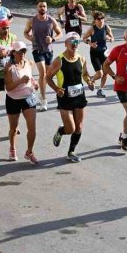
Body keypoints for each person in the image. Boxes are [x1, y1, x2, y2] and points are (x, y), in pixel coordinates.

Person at [46, 33, 96, 163]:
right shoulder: (59, 60)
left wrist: (89, 82)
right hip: (65, 98)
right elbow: (48, 77)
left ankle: (71, 152)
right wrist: (57, 89)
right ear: (66, 44)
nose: (74, 45)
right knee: (70, 129)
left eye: (76, 42)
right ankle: (61, 131)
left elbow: (85, 74)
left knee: (79, 127)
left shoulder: (81, 59)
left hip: (79, 96)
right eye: (71, 42)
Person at [3, 40, 39, 164]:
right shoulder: (9, 67)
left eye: (24, 51)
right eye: (20, 52)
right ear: (13, 53)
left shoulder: (28, 62)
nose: (22, 54)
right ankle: (12, 148)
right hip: (13, 99)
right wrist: (20, 81)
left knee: (32, 127)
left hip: (28, 97)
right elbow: (8, 87)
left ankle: (29, 152)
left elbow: (29, 76)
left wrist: (34, 83)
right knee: (13, 128)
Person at [23, 0, 63, 110]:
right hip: (37, 50)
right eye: (40, 6)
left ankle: (42, 92)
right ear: (37, 7)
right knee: (43, 73)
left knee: (48, 75)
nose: (42, 8)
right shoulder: (32, 20)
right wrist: (30, 37)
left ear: (46, 8)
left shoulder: (51, 20)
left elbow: (60, 33)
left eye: (44, 6)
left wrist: (53, 39)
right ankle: (44, 101)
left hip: (48, 51)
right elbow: (25, 32)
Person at [82, 10, 113, 97]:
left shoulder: (106, 27)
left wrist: (109, 38)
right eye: (98, 19)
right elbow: (84, 38)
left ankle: (100, 90)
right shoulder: (92, 29)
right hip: (94, 53)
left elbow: (112, 37)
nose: (100, 20)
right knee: (100, 74)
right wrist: (90, 43)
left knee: (105, 72)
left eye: (102, 18)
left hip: (104, 53)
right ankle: (91, 79)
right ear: (95, 20)